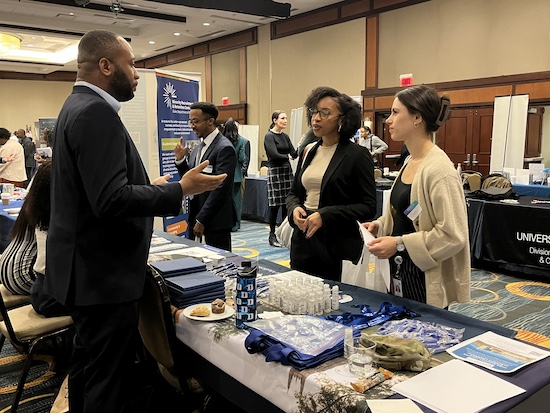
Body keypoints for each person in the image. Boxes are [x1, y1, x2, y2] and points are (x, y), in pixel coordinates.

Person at [44, 30, 227, 413]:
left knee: (88, 368)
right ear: (106, 65)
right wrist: (180, 189)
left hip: (85, 271)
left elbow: (95, 190)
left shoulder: (76, 105)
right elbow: (109, 200)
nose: (137, 73)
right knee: (108, 378)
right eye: (131, 64)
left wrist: (149, 186)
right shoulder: (95, 112)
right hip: (102, 275)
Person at [364, 84, 470, 309]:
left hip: (423, 275)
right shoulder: (410, 162)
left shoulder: (439, 170)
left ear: (417, 118)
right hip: (399, 268)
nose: (388, 120)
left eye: (395, 112)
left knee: (422, 339)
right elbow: (411, 212)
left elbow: (454, 235)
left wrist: (400, 244)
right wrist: (380, 225)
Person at [286, 86, 377, 281]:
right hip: (304, 240)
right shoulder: (309, 151)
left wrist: (326, 214)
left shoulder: (357, 155)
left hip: (336, 244)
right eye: (314, 111)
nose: (316, 118)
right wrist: (294, 208)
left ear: (342, 119)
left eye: (325, 113)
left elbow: (368, 206)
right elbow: (294, 193)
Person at [174, 102, 236, 251]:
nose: (192, 126)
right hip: (195, 217)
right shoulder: (198, 148)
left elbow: (221, 188)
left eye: (196, 121)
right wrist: (180, 160)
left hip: (215, 221)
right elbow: (190, 180)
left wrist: (202, 219)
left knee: (219, 266)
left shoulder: (224, 148)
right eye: (191, 122)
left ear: (210, 121)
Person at [264, 110, 297, 247]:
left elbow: (294, 153)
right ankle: (272, 235)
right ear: (274, 120)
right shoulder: (269, 136)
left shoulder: (285, 136)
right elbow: (274, 154)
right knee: (274, 205)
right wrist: (288, 157)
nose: (285, 121)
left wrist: (302, 144)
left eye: (286, 118)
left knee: (286, 204)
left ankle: (283, 233)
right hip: (275, 171)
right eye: (282, 118)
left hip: (286, 171)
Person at [223, 118, 247, 231]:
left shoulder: (222, 140)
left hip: (223, 175)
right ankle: (236, 224)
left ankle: (227, 223)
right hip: (236, 176)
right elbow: (242, 158)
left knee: (225, 201)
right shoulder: (241, 141)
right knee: (237, 201)